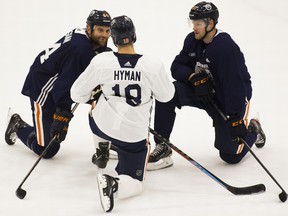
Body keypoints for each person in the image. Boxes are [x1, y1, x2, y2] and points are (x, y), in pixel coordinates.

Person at [70, 15, 174, 212]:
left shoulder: (101, 61)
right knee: (135, 182)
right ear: (135, 35)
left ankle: (101, 149)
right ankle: (115, 184)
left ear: (113, 38)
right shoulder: (152, 65)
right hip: (133, 136)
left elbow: (76, 94)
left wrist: (97, 93)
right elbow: (167, 97)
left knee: (95, 109)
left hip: (103, 125)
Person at [148, 1, 266, 170]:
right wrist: (194, 77)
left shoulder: (225, 47)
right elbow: (176, 66)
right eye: (193, 23)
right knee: (167, 92)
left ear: (210, 23)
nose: (194, 27)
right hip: (203, 93)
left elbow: (236, 86)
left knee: (229, 156)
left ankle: (253, 128)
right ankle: (163, 145)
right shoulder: (192, 40)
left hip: (228, 100)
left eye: (198, 24)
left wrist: (235, 119)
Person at [5, 10, 112, 159]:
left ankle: (110, 139)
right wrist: (62, 116)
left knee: (104, 98)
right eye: (100, 30)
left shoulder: (84, 38)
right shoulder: (80, 49)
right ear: (89, 28)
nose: (104, 35)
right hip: (43, 85)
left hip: (59, 81)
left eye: (107, 31)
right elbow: (65, 86)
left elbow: (95, 54)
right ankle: (17, 125)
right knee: (47, 149)